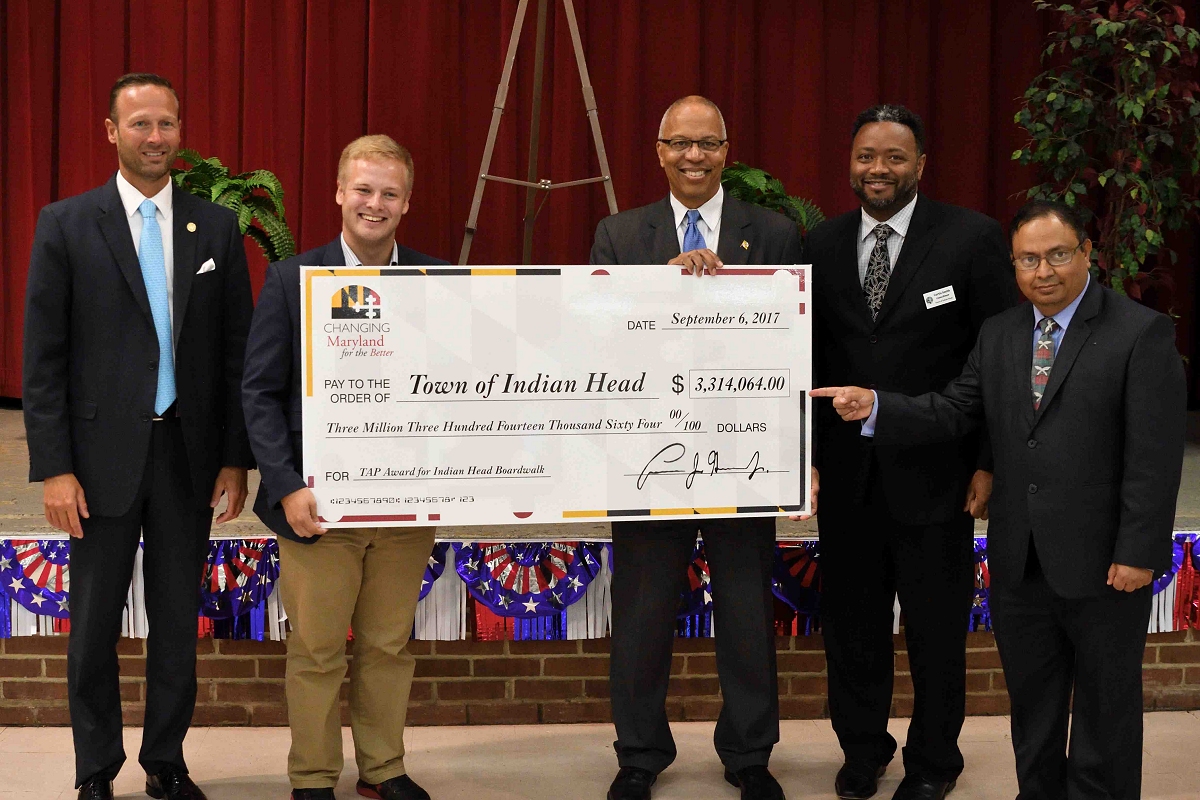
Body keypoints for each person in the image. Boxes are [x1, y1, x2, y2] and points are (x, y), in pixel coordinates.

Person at [814, 199, 1186, 800]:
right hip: (1020, 557)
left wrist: (1139, 551)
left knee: (1104, 707)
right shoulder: (1001, 332)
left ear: (1087, 254)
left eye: (1058, 255)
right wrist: (877, 405)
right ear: (1013, 267)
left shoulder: (1138, 332)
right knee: (1033, 705)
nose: (1044, 271)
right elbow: (954, 407)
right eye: (1028, 259)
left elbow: (1154, 458)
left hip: (1106, 562)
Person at [22, 73, 254, 800]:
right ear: (111, 131)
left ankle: (166, 762)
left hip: (188, 458)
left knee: (177, 626)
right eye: (141, 125)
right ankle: (95, 769)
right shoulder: (65, 223)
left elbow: (235, 352)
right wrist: (55, 467)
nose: (156, 138)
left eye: (168, 124)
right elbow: (44, 357)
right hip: (97, 463)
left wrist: (233, 458)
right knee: (91, 627)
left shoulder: (214, 227)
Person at [590, 95, 804, 800]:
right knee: (644, 612)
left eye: (707, 143)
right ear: (658, 151)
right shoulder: (620, 236)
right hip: (646, 456)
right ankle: (639, 755)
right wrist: (662, 290)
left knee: (745, 610)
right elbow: (596, 339)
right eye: (679, 143)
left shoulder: (773, 233)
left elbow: (797, 346)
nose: (693, 156)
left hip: (744, 455)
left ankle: (749, 755)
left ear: (727, 150)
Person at [803, 104, 1017, 800]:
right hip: (847, 480)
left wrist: (987, 459)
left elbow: (997, 358)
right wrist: (801, 458)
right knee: (853, 633)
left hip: (940, 477)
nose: (878, 170)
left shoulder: (972, 240)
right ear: (851, 162)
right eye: (867, 156)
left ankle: (933, 765)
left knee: (934, 636)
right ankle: (863, 750)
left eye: (894, 157)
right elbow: (801, 361)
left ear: (921, 165)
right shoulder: (821, 245)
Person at [242, 135, 443, 800]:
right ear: (338, 193)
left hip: (405, 506)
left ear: (407, 202)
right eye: (363, 189)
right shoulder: (290, 280)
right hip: (317, 509)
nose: (374, 203)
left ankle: (383, 769)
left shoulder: (437, 286)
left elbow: (459, 390)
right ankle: (313, 777)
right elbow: (260, 393)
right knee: (319, 652)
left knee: (387, 648)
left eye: (389, 192)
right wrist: (285, 484)